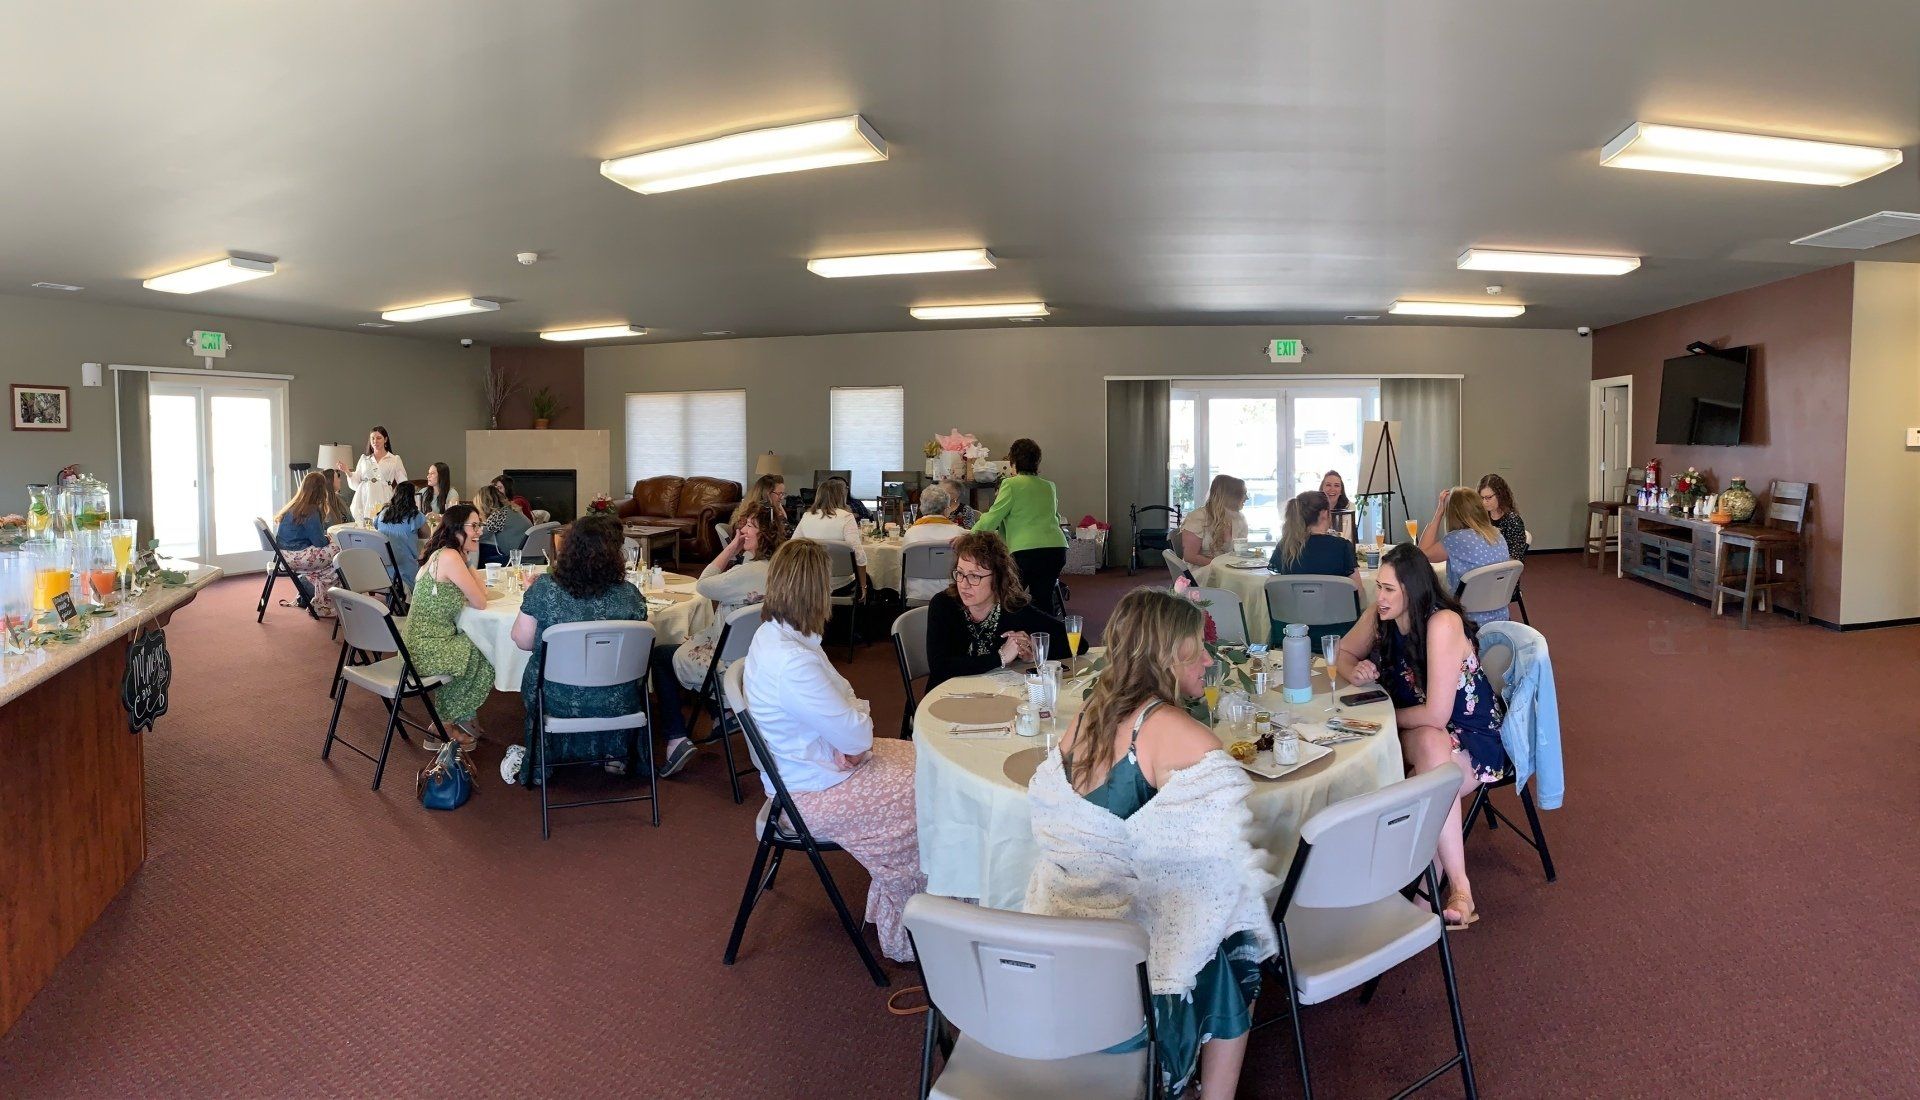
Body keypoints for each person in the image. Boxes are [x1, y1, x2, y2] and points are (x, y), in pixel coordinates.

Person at [1026, 586, 1276, 1098]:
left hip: (1062, 934)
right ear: (1167, 656)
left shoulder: (1088, 715)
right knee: (1243, 925)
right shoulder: (1179, 735)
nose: (1209, 658)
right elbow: (1222, 865)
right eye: (1197, 648)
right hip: (1128, 969)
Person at [743, 539, 926, 962]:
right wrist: (853, 725)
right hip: (807, 794)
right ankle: (912, 926)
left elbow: (846, 703)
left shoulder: (777, 636)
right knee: (924, 788)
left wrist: (849, 724)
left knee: (923, 762)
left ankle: (908, 901)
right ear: (814, 591)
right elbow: (857, 731)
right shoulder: (794, 661)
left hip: (813, 765)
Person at [1332, 543, 1506, 929]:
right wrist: (1354, 671)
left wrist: (1381, 717)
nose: (1379, 597)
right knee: (1430, 749)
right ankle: (1452, 890)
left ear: (1412, 589)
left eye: (1389, 589)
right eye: (1378, 586)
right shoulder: (1381, 616)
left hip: (1473, 736)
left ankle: (1435, 893)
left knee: (1429, 769)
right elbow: (1342, 652)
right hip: (1422, 733)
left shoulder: (1442, 622)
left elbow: (1438, 714)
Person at [508, 514, 650, 782]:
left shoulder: (545, 590)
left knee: (536, 668)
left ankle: (547, 760)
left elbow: (522, 641)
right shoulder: (629, 594)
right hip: (617, 699)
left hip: (556, 698)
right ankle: (614, 754)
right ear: (615, 555)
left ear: (569, 549)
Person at [656, 500, 785, 778]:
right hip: (756, 659)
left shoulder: (746, 573)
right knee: (691, 642)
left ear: (766, 534)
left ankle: (677, 738)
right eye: (743, 525)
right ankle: (723, 714)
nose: (742, 530)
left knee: (660, 656)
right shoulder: (779, 568)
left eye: (751, 526)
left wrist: (731, 547)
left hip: (727, 663)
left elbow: (703, 583)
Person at [925, 531, 1070, 690]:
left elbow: (1075, 642)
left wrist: (1034, 651)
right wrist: (1000, 657)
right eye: (960, 573)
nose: (964, 584)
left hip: (994, 696)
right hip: (946, 697)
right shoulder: (943, 605)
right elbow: (940, 667)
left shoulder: (1011, 607)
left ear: (998, 578)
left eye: (974, 576)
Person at [402, 504, 494, 746]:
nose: (479, 532)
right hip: (425, 649)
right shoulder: (451, 557)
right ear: (455, 529)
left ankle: (461, 716)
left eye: (479, 526)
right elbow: (481, 601)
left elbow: (477, 595)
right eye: (474, 526)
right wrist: (468, 565)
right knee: (486, 649)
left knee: (474, 647)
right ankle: (442, 725)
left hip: (416, 644)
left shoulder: (443, 554)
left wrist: (468, 562)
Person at [972, 437, 1070, 615]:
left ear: (1013, 462)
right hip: (1056, 549)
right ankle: (1044, 640)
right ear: (1037, 462)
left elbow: (992, 518)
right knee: (1044, 601)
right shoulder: (1049, 486)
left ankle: (1013, 638)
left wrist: (968, 536)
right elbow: (1054, 517)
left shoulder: (1010, 485)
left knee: (1011, 601)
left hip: (1026, 553)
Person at [1268, 489, 1361, 646]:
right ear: (1324, 513)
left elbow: (1277, 593)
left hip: (1293, 633)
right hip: (1337, 633)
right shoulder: (1341, 547)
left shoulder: (1284, 547)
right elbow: (1358, 595)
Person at [1418, 487, 1512, 624]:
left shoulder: (1456, 539)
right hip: (1500, 615)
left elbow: (1422, 554)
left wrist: (1439, 513)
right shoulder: (1497, 535)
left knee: (1423, 602)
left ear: (1452, 514)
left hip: (1466, 619)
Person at [273, 472, 341, 616]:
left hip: (284, 556)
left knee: (329, 562)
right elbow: (319, 542)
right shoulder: (310, 510)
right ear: (321, 490)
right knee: (339, 550)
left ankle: (313, 591)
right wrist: (328, 539)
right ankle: (324, 600)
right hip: (297, 556)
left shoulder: (294, 506)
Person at [792, 477, 868, 595]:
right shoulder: (846, 517)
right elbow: (859, 555)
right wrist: (864, 586)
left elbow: (792, 547)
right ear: (841, 496)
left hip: (811, 581)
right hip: (840, 583)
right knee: (868, 581)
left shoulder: (807, 516)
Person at [900, 484, 966, 602]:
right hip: (952, 593)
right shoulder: (960, 534)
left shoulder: (911, 533)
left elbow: (902, 564)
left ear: (921, 507)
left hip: (917, 593)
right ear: (947, 508)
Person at [337, 426, 407, 524]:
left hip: (384, 497)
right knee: (365, 528)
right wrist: (347, 471)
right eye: (372, 438)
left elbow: (403, 483)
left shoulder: (394, 459)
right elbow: (356, 483)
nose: (375, 441)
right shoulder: (364, 459)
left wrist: (396, 497)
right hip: (365, 496)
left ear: (385, 439)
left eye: (379, 438)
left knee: (383, 524)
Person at [1177, 474, 1249, 567]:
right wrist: (1223, 567)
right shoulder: (1197, 517)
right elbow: (1190, 556)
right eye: (1243, 493)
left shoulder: (1239, 518)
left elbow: (1240, 552)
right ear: (1229, 495)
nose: (1247, 498)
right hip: (1202, 571)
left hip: (1228, 570)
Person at [375, 480, 429, 593]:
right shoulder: (415, 516)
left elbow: (376, 527)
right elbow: (427, 534)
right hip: (406, 569)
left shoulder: (383, 513)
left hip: (383, 569)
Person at [476, 485, 532, 566]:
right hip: (528, 555)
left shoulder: (499, 514)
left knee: (480, 550)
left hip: (514, 559)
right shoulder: (511, 509)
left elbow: (479, 534)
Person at [1321, 469, 1354, 539]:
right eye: (1328, 485)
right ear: (1322, 489)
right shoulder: (1315, 508)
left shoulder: (1349, 507)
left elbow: (1346, 536)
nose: (1332, 489)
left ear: (1341, 491)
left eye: (1336, 485)